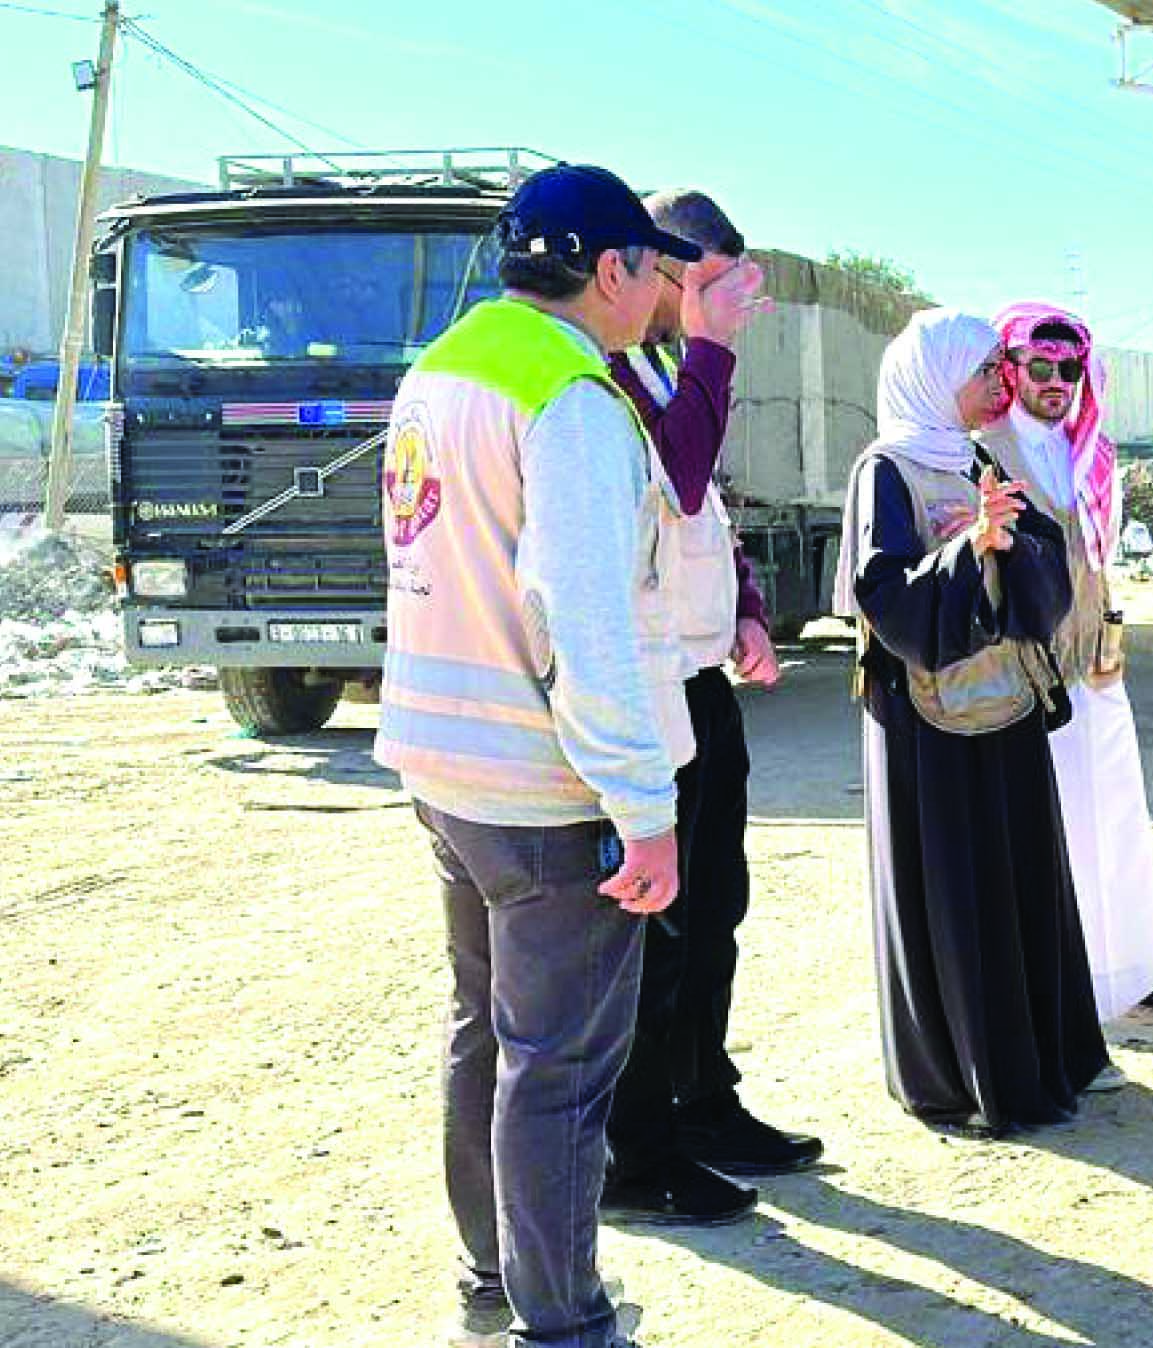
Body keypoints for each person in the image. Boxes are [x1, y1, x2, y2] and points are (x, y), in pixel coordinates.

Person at [375, 162, 700, 1348]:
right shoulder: (567, 396)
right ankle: (563, 1325)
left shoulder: (443, 368)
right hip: (544, 785)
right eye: (652, 272)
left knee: (490, 1037)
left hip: (444, 762)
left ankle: (493, 1277)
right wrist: (643, 796)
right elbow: (582, 610)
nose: (655, 296)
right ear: (610, 269)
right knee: (558, 1070)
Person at [598, 189, 823, 1230]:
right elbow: (677, 477)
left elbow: (708, 515)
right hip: (642, 692)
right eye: (701, 281)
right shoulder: (607, 368)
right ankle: (638, 1151)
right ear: (651, 269)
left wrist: (746, 607)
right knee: (658, 937)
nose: (717, 302)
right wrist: (715, 347)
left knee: (715, 913)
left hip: (700, 681)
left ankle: (704, 1102)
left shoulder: (665, 366)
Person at [834, 308, 1114, 1135]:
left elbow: (1044, 566)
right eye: (986, 368)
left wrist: (1003, 544)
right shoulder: (884, 470)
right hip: (930, 727)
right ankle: (967, 1075)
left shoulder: (978, 458)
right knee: (958, 890)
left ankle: (1045, 1057)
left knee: (1023, 880)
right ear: (933, 378)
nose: (1002, 381)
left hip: (1005, 707)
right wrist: (969, 551)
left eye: (1002, 365)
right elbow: (884, 598)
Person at [978, 301, 1153, 1024]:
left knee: (1118, 817)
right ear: (1011, 368)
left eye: (1068, 369)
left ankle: (1138, 969)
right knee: (1057, 826)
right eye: (1039, 367)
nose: (1054, 382)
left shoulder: (1093, 451)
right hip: (1029, 669)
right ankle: (1067, 985)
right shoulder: (984, 450)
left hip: (1096, 662)